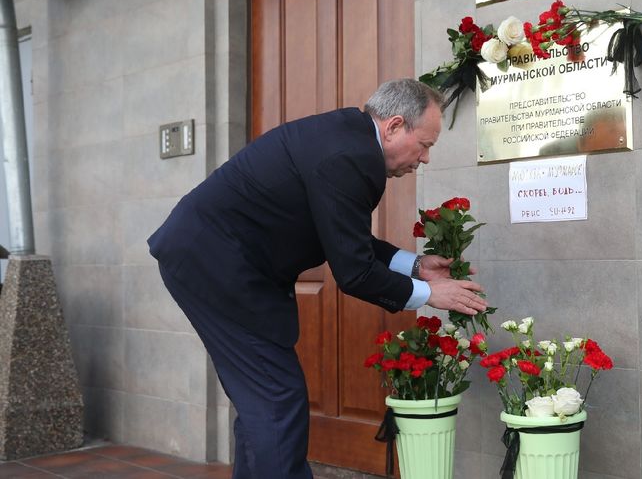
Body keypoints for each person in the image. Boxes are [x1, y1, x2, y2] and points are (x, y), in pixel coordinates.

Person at [148, 79, 488, 479]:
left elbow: (344, 238)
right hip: (218, 265)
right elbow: (355, 271)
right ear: (394, 126)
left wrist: (415, 266)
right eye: (426, 144)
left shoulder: (348, 139)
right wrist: (431, 293)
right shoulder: (351, 156)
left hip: (215, 260)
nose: (425, 158)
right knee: (277, 400)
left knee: (264, 401)